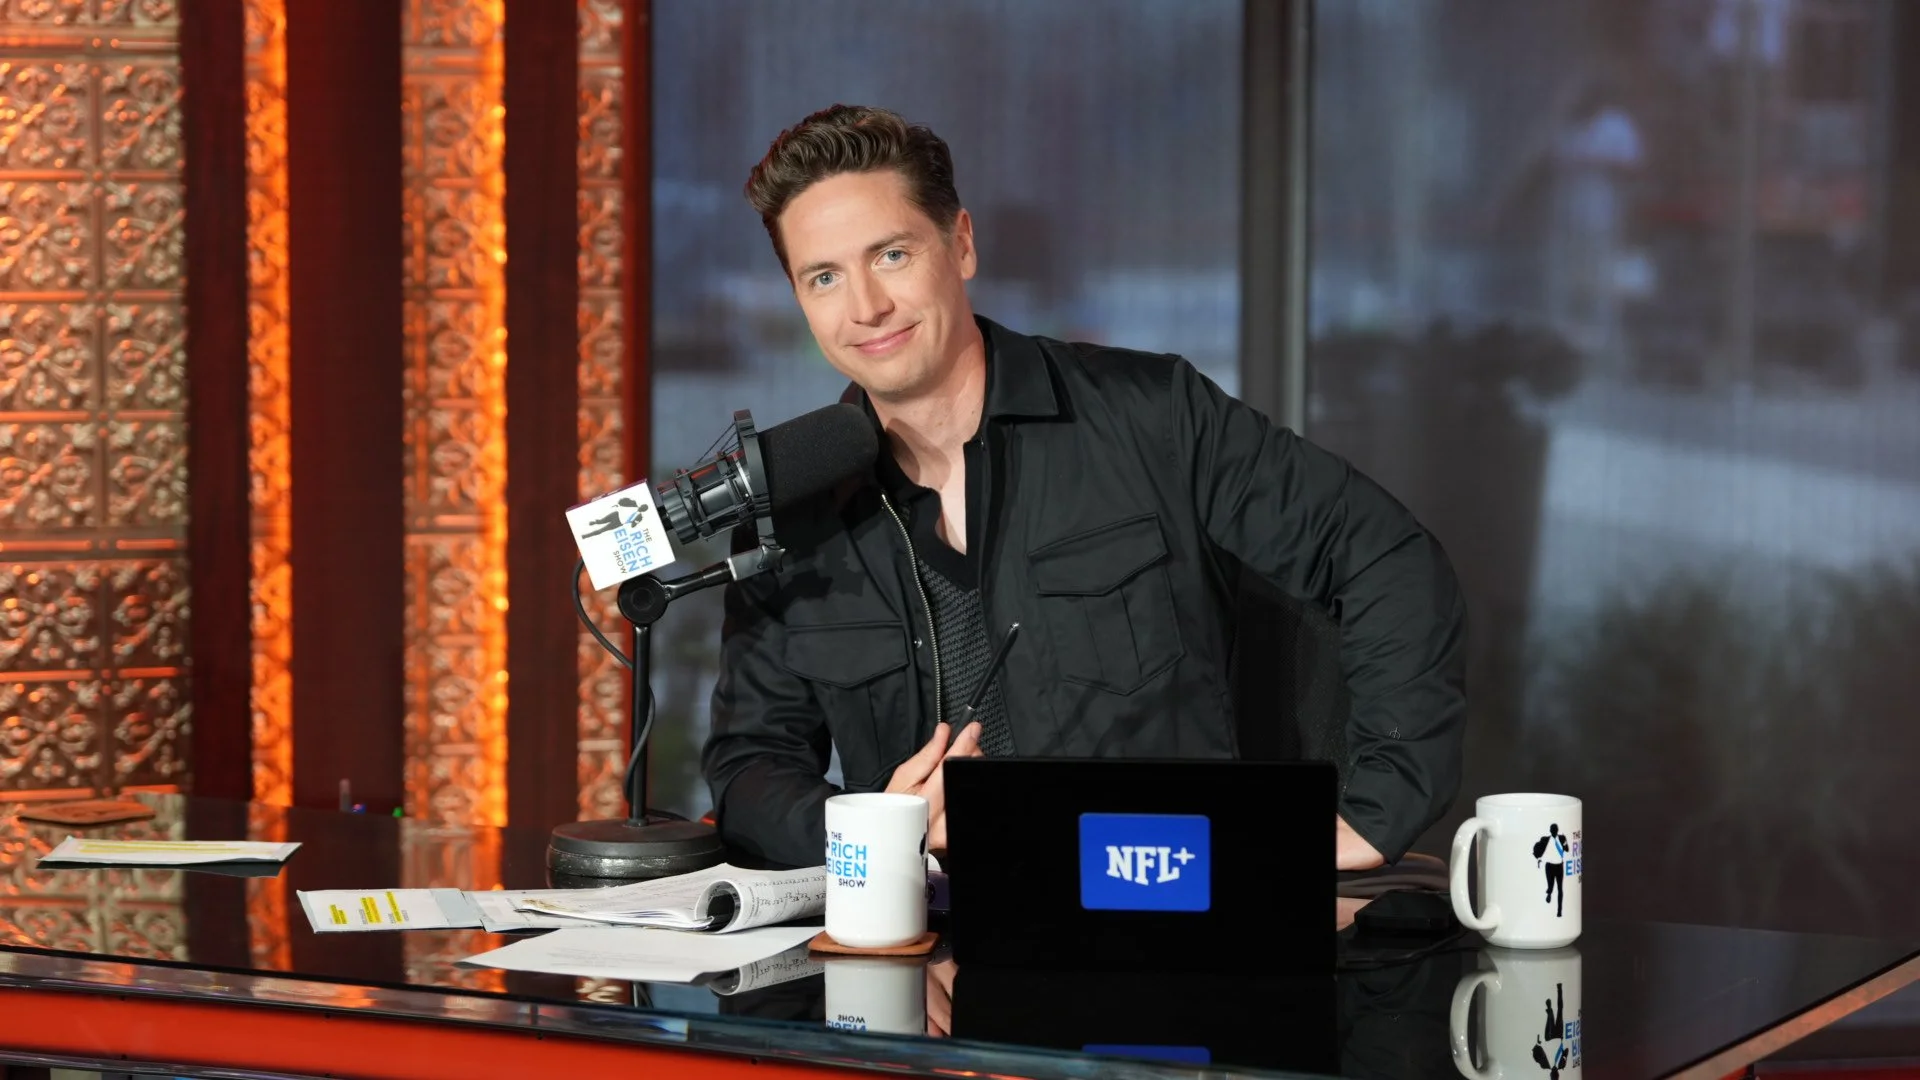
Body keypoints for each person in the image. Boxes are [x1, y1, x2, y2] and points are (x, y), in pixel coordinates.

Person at [701, 104, 1467, 872]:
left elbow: (1385, 559)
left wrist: (1373, 816)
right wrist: (861, 830)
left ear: (960, 244)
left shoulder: (1152, 415)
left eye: (892, 255)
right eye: (824, 277)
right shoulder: (792, 513)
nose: (865, 306)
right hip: (925, 944)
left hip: (1162, 919)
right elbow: (751, 768)